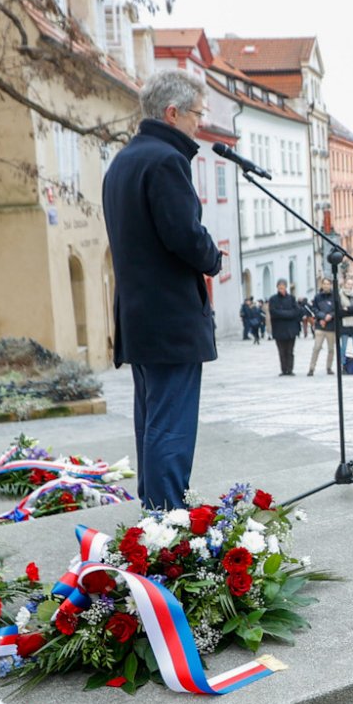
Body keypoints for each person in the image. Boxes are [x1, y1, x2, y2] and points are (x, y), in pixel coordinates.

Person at [103, 71, 224, 509]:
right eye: (196, 114)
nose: (198, 124)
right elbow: (185, 236)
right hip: (171, 319)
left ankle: (155, 513)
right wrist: (214, 257)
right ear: (172, 113)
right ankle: (168, 520)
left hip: (140, 318)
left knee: (152, 422)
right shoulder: (166, 161)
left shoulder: (124, 161)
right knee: (170, 426)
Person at [265, 279, 303, 375]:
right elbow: (274, 312)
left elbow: (296, 311)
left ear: (286, 288)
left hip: (291, 329)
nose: (281, 289)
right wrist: (287, 314)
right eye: (279, 288)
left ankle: (290, 369)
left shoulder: (291, 298)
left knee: (290, 351)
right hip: (279, 329)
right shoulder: (273, 299)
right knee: (281, 351)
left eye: (283, 287)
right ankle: (283, 370)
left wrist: (284, 314)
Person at [305, 277, 339, 376]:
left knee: (331, 349)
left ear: (331, 285)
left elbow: (337, 309)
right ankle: (311, 368)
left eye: (328, 284)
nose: (326, 285)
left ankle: (329, 367)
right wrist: (323, 317)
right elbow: (314, 310)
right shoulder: (317, 297)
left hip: (331, 326)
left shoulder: (335, 296)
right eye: (324, 283)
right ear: (322, 285)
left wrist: (330, 316)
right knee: (317, 347)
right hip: (320, 325)